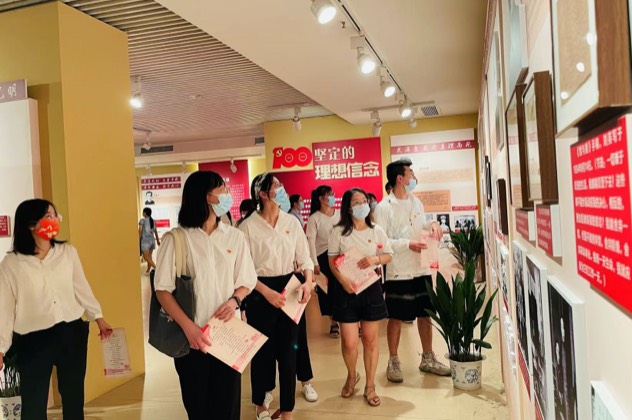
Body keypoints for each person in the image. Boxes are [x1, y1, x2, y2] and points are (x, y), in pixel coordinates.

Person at [154, 171, 257, 420]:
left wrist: (234, 300)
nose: (227, 195)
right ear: (205, 196)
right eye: (222, 190)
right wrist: (188, 327)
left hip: (228, 336)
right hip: (191, 340)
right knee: (198, 408)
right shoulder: (176, 239)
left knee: (228, 408)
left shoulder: (234, 237)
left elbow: (247, 280)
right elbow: (163, 290)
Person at [0, 198, 113, 419]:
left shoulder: (67, 252)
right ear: (31, 225)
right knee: (33, 405)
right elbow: (4, 308)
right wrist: (1, 347)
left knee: (73, 399)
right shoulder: (11, 264)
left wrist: (98, 316)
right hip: (32, 339)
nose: (54, 220)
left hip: (71, 332)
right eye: (48, 216)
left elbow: (81, 288)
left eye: (55, 215)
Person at [238, 173, 315, 420]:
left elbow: (305, 258)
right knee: (262, 350)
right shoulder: (247, 227)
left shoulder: (291, 222)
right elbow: (244, 270)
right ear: (262, 194)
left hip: (290, 288)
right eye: (276, 186)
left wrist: (309, 282)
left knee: (289, 351)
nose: (282, 189)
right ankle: (260, 403)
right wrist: (266, 292)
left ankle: (288, 409)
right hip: (259, 290)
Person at [374, 158, 451, 383]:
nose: (414, 177)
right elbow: (382, 242)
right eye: (411, 174)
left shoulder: (416, 202)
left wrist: (432, 225)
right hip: (398, 270)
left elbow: (420, 225)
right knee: (396, 316)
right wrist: (408, 244)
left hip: (421, 268)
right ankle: (393, 361)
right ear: (400, 178)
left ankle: (428, 358)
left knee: (425, 313)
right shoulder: (383, 208)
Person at [328, 188, 393, 407]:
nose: (362, 205)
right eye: (357, 202)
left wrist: (375, 259)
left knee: (370, 339)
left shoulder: (376, 230)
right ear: (348, 208)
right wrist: (343, 281)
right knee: (349, 342)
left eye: (364, 201)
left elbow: (389, 255)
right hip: (346, 290)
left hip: (370, 288)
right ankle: (351, 375)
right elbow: (332, 262)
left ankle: (370, 386)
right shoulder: (338, 232)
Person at [306, 185, 341, 338]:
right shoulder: (314, 218)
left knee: (343, 288)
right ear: (321, 199)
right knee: (328, 291)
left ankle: (348, 320)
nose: (332, 197)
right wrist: (314, 262)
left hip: (340, 256)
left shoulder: (339, 214)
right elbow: (311, 242)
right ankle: (333, 322)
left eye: (333, 194)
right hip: (323, 257)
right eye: (329, 195)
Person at [139, 207, 160, 273]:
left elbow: (140, 231)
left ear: (145, 213)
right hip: (152, 241)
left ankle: (157, 268)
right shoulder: (153, 221)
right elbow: (155, 231)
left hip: (145, 241)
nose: (142, 213)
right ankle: (148, 271)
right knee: (149, 257)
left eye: (143, 212)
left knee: (146, 257)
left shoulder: (142, 220)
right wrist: (158, 240)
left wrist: (138, 240)